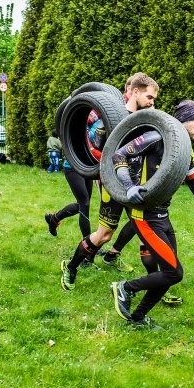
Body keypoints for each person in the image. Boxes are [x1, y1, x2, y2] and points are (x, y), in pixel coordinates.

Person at [110, 100, 194, 327]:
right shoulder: (155, 138)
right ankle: (125, 288)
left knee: (168, 273)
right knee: (174, 272)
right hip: (144, 216)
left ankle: (138, 318)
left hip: (163, 216)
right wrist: (129, 186)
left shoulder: (185, 151)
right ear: (183, 120)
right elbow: (118, 156)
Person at [60, 73, 158, 290]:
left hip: (135, 186)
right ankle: (71, 267)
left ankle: (157, 285)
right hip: (113, 185)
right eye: (149, 97)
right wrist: (106, 133)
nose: (152, 103)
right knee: (104, 235)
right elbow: (96, 146)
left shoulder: (146, 119)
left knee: (146, 233)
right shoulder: (112, 115)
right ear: (135, 92)